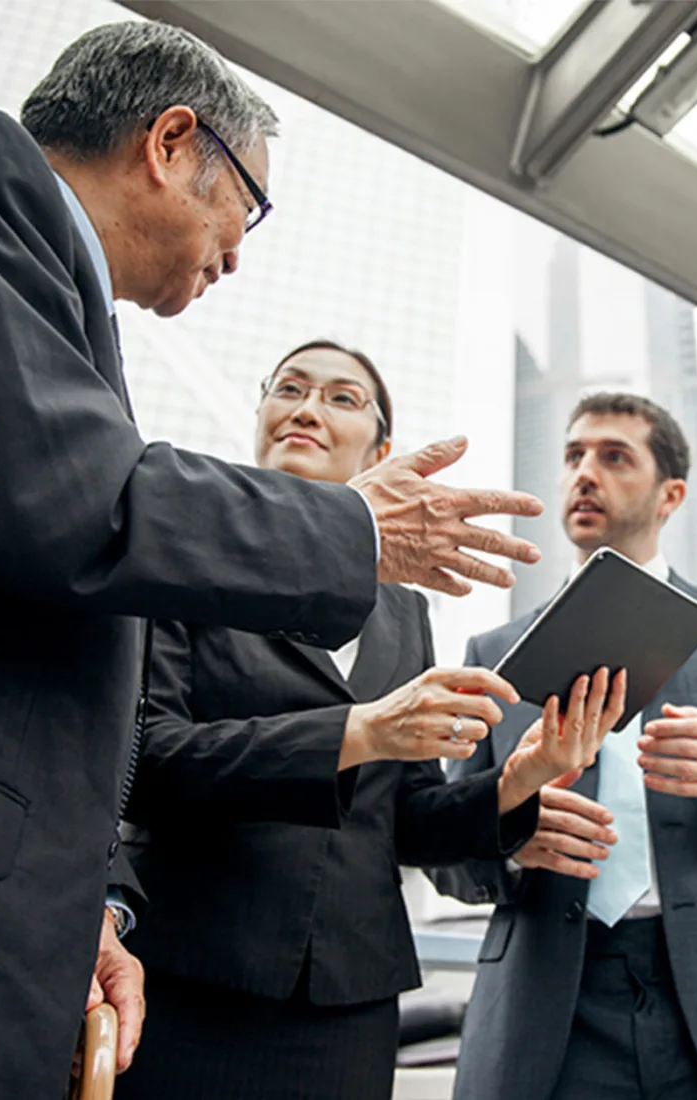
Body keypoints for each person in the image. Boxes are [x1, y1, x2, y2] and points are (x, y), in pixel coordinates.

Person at [0, 23, 541, 1099]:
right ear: (170, 141)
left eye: (342, 396)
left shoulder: (387, 606)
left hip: (81, 932)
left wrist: (98, 904)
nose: (240, 252)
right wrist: (351, 534)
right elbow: (64, 500)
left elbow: (71, 710)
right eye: (245, 206)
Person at [113, 341, 626, 1100]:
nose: (308, 408)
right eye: (289, 389)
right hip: (189, 980)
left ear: (383, 451)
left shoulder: (405, 612)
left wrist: (521, 778)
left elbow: (407, 819)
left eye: (342, 398)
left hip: (350, 1001)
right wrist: (360, 733)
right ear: (261, 416)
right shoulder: (194, 551)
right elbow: (147, 763)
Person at [430, 393, 697, 1100]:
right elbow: (443, 852)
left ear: (671, 494)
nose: (584, 473)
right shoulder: (494, 653)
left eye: (614, 456)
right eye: (573, 456)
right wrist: (508, 831)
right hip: (550, 1010)